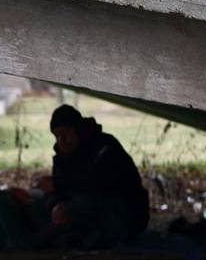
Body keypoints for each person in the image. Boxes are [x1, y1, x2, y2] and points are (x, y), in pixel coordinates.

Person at [41, 104, 149, 250]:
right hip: (86, 215)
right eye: (57, 136)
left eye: (65, 133)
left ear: (77, 129)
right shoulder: (63, 156)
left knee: (85, 209)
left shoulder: (104, 146)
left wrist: (60, 186)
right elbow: (60, 192)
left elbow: (102, 184)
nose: (61, 140)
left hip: (123, 213)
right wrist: (56, 205)